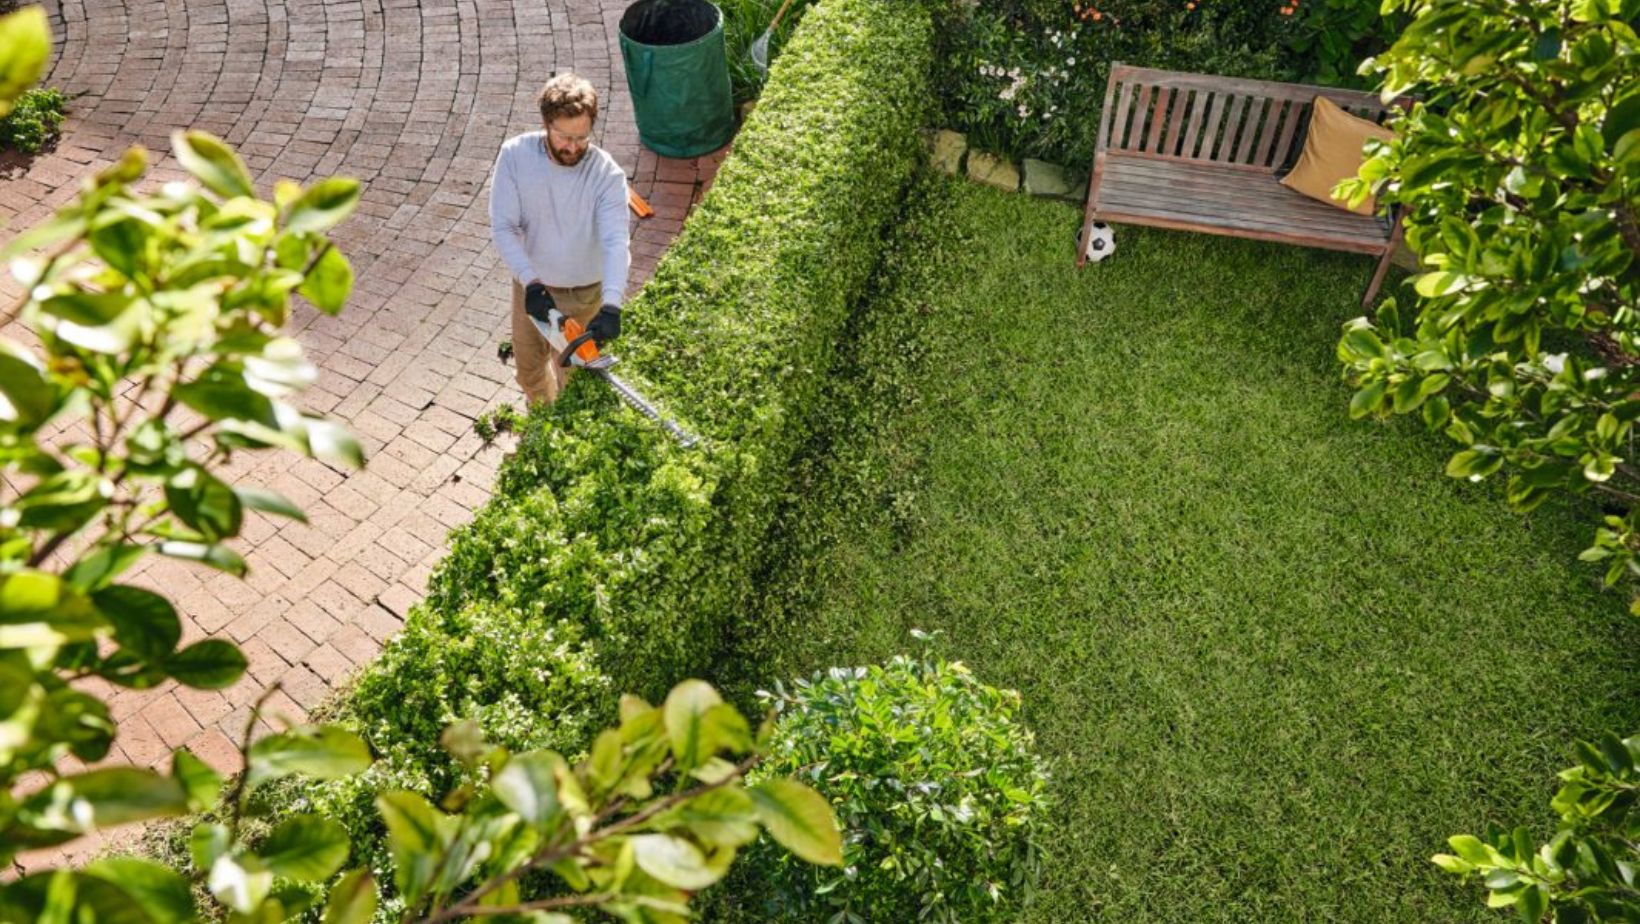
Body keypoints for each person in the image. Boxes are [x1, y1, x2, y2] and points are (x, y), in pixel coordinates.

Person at [488, 73, 631, 405]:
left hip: (583, 295)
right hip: (532, 289)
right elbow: (503, 227)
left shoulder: (606, 175)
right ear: (546, 124)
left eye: (581, 137)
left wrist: (611, 304)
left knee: (576, 382)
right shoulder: (514, 156)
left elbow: (615, 242)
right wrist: (531, 282)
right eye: (564, 136)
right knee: (529, 372)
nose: (572, 147)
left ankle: (565, 439)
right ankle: (541, 423)